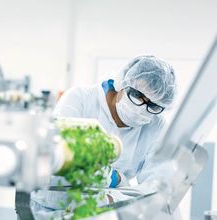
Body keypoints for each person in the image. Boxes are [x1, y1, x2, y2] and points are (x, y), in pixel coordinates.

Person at [30, 55, 177, 218]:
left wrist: (110, 198)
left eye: (153, 105)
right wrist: (112, 178)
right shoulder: (80, 99)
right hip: (49, 208)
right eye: (137, 96)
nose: (142, 108)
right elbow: (56, 155)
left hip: (103, 212)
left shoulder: (156, 126)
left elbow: (156, 186)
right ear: (122, 82)